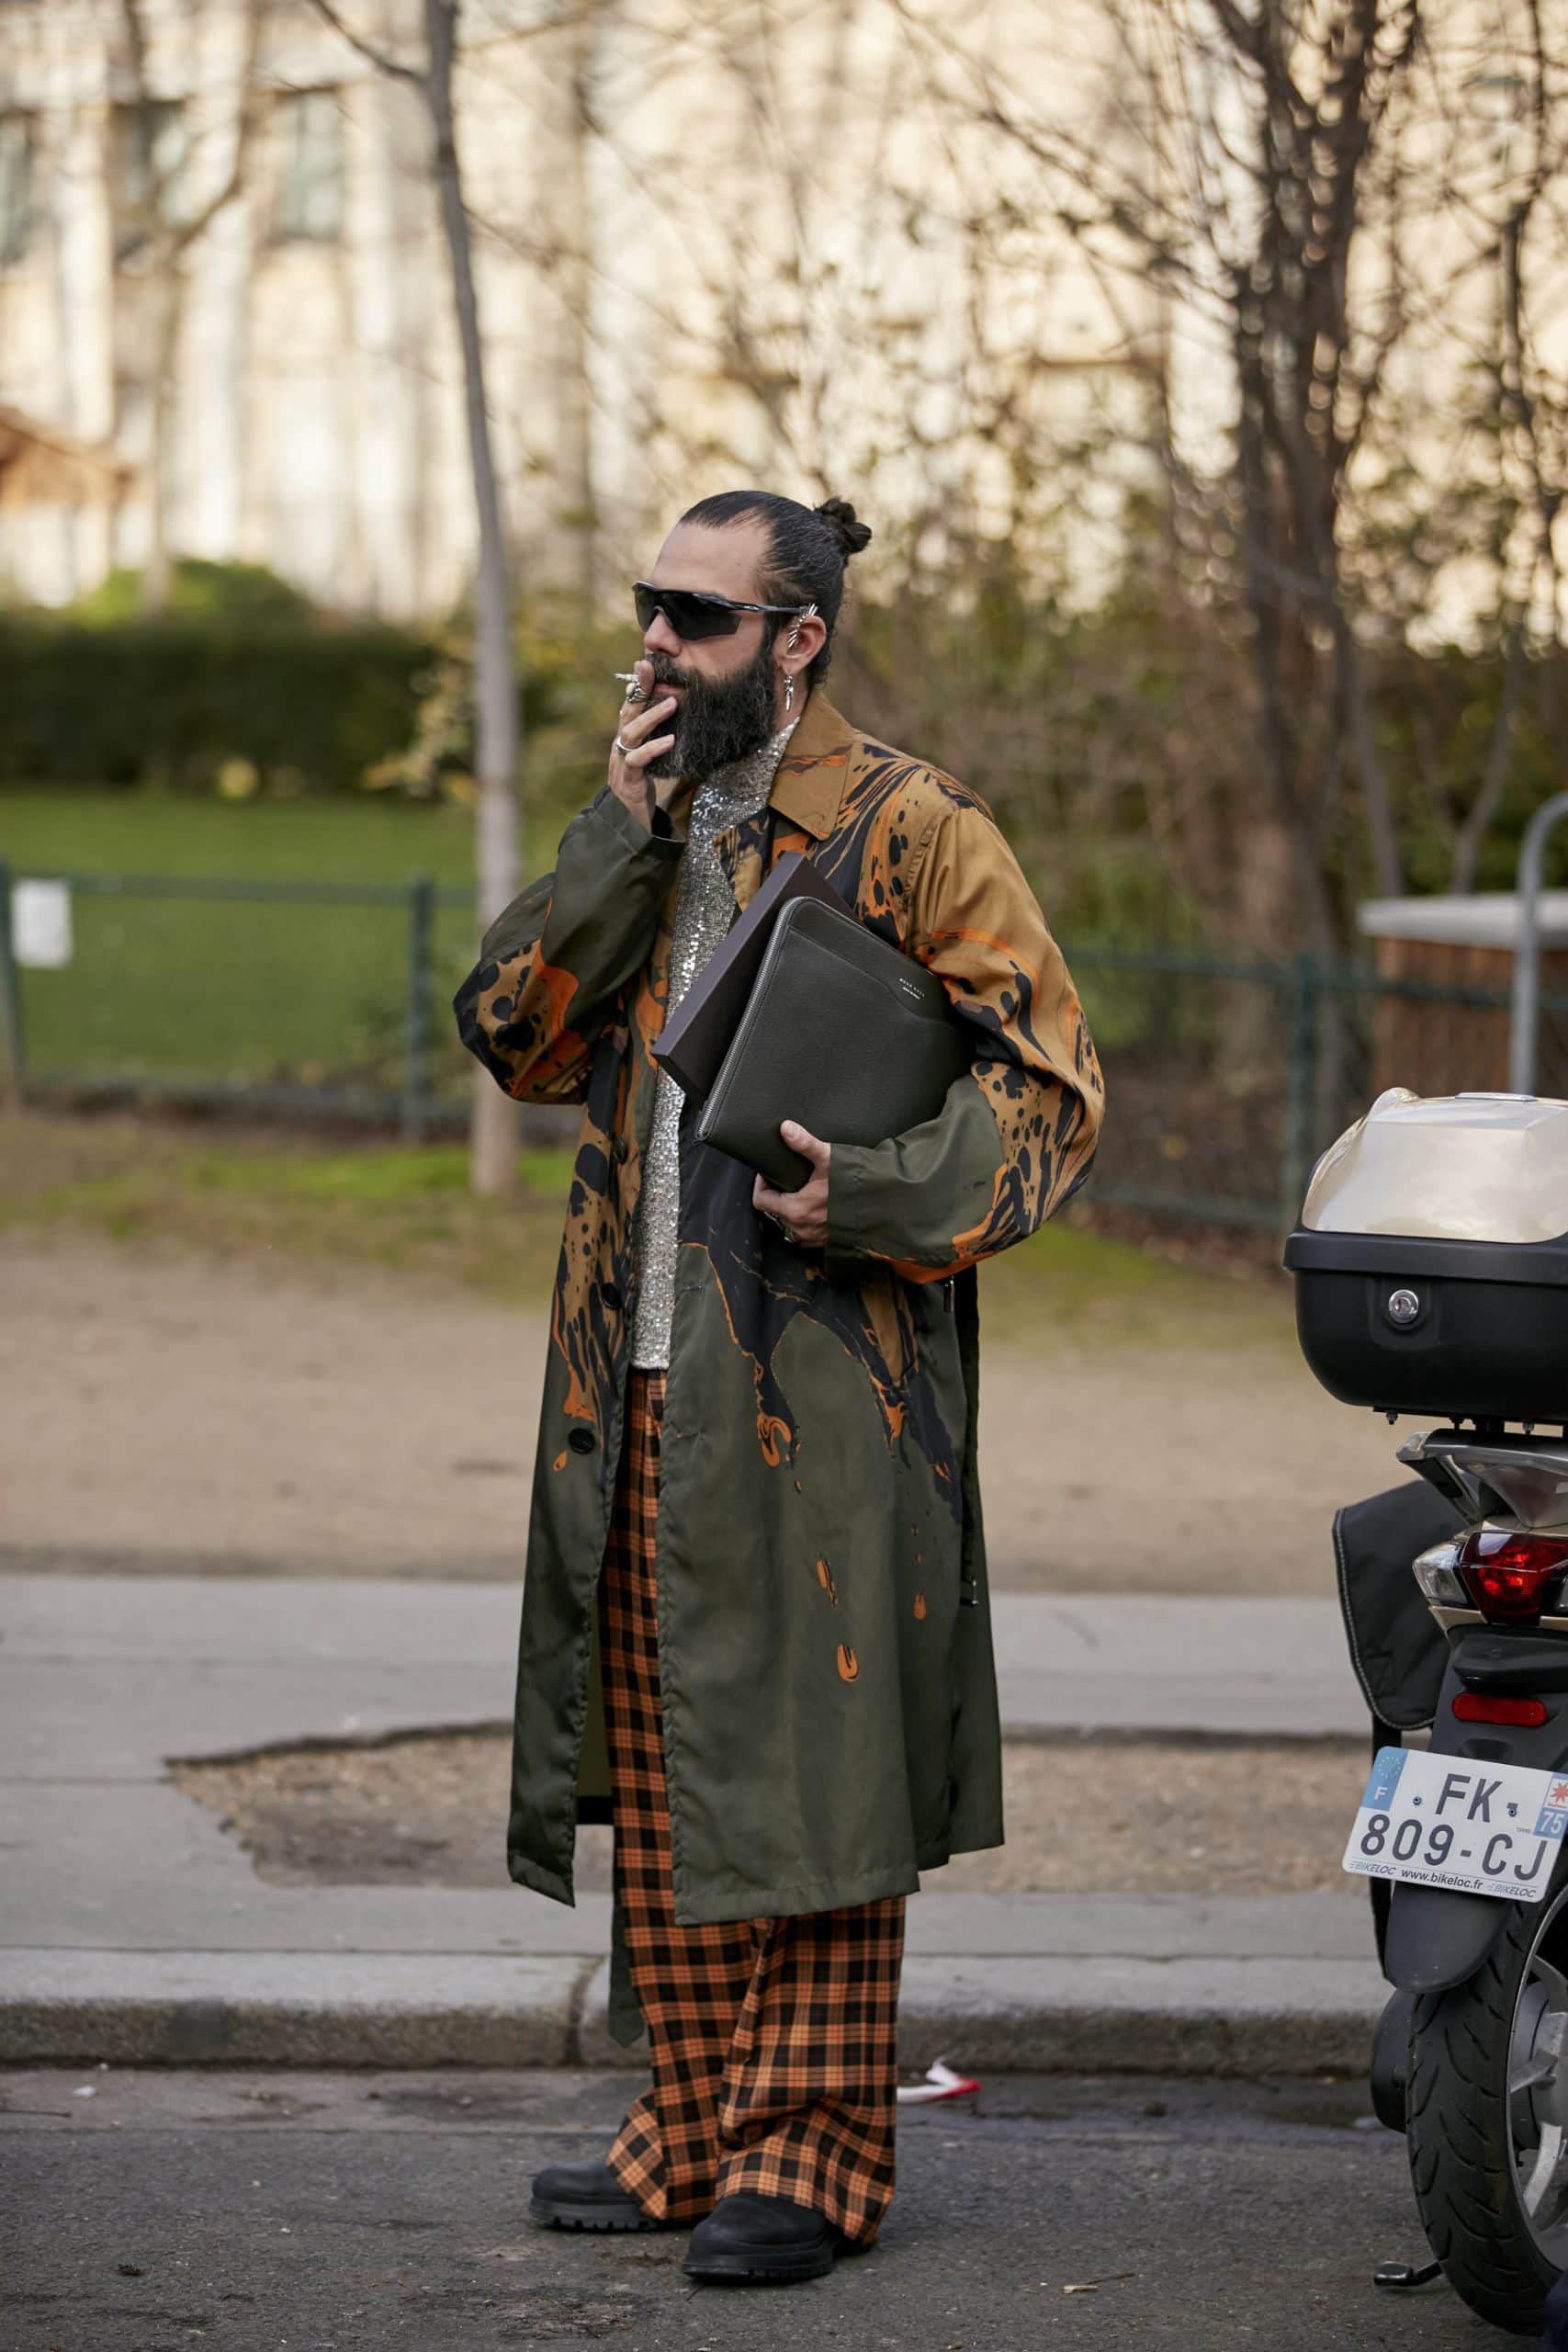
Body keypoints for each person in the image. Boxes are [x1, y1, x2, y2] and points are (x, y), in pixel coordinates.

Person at [453, 490, 1104, 2286]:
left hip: (825, 1392)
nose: (657, 641)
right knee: (667, 1771)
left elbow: (1052, 1089)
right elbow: (509, 1035)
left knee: (809, 1769)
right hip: (632, 1377)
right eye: (647, 604)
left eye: (701, 616)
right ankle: (687, 2116)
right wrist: (616, 828)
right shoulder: (648, 820)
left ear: (797, 638)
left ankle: (812, 2148)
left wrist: (879, 1190)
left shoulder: (911, 828)